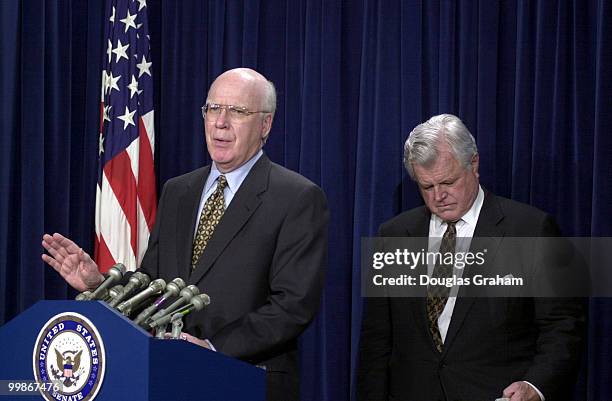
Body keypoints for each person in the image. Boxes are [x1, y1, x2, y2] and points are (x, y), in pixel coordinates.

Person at [42, 68, 329, 401]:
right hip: (170, 380)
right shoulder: (179, 191)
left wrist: (211, 347)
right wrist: (99, 283)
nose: (221, 122)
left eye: (237, 111)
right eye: (213, 109)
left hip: (245, 381)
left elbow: (292, 307)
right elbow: (154, 286)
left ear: (265, 125)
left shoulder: (296, 197)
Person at [357, 114, 585, 401]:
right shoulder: (393, 235)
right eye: (427, 187)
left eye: (448, 181)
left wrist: (535, 386)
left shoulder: (529, 229)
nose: (439, 196)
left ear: (473, 164)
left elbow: (562, 326)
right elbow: (376, 342)